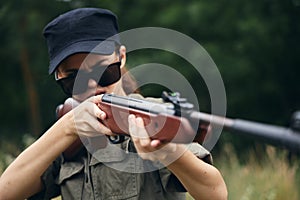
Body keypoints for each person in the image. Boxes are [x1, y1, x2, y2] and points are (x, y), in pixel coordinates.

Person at [0, 8, 227, 200]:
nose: (91, 86)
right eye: (73, 79)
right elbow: (6, 191)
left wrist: (166, 150)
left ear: (121, 57)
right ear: (59, 78)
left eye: (103, 71)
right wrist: (66, 128)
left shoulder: (155, 114)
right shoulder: (68, 135)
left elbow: (216, 193)